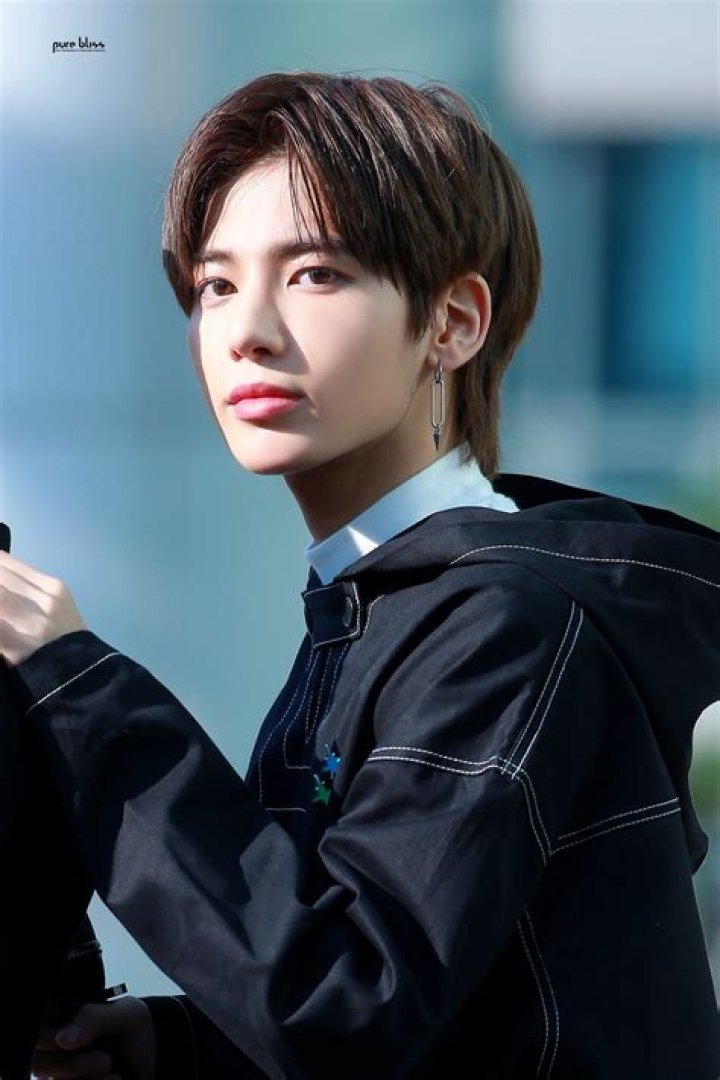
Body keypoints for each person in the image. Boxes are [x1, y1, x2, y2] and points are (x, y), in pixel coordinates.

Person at [0, 70, 717, 1079]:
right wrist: (186, 1047)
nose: (246, 330)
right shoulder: (384, 602)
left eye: (315, 274)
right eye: (215, 285)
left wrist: (77, 687)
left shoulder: (503, 621)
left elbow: (345, 1005)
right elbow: (439, 994)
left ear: (453, 323)